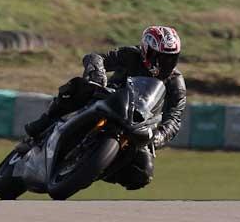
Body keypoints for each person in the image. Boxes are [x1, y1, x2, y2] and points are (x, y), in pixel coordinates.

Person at [24, 25, 187, 190]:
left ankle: (99, 168)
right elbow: (96, 57)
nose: (166, 63)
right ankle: (42, 125)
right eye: (160, 57)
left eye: (171, 58)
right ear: (146, 50)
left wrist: (160, 136)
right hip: (110, 100)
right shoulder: (131, 55)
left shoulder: (176, 83)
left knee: (143, 173)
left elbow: (174, 117)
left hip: (139, 122)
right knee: (78, 87)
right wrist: (98, 71)